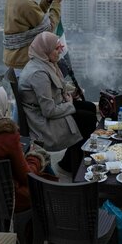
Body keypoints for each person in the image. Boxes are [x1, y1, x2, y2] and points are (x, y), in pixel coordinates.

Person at [18, 32, 97, 175]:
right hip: (45, 124)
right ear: (45, 50)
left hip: (54, 109)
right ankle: (72, 165)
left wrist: (70, 96)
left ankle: (69, 161)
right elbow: (48, 111)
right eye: (56, 48)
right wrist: (70, 104)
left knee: (90, 107)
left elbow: (53, 92)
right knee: (88, 119)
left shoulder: (44, 63)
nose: (60, 51)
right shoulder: (38, 74)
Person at [3, 0, 64, 73]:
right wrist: (56, 4)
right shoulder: (26, 3)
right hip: (23, 59)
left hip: (13, 56)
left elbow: (31, 19)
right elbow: (48, 28)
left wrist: (46, 2)